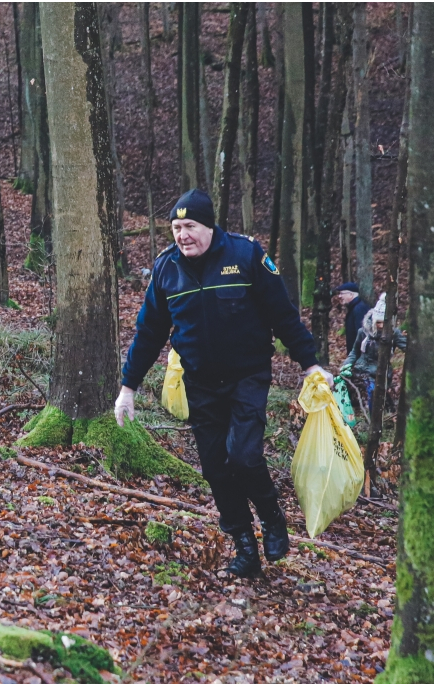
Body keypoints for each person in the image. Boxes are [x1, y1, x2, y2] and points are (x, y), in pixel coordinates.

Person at [115, 189, 333, 578]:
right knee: (216, 468)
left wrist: (310, 365)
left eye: (190, 226)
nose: (183, 235)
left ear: (209, 225)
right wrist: (127, 388)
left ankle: (272, 516)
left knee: (243, 455)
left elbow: (283, 315)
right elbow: (148, 333)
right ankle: (244, 547)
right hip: (200, 383)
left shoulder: (246, 256)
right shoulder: (167, 269)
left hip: (247, 376)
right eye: (176, 228)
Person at [340, 294, 407, 415]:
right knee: (365, 391)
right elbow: (355, 352)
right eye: (378, 322)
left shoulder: (394, 333)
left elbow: (407, 348)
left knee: (377, 393)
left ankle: (380, 416)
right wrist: (347, 364)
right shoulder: (363, 332)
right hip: (362, 370)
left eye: (384, 323)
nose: (381, 326)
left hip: (382, 371)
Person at [334, 282, 370, 355]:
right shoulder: (354, 308)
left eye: (342, 293)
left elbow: (362, 334)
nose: (339, 296)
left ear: (351, 294)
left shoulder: (359, 309)